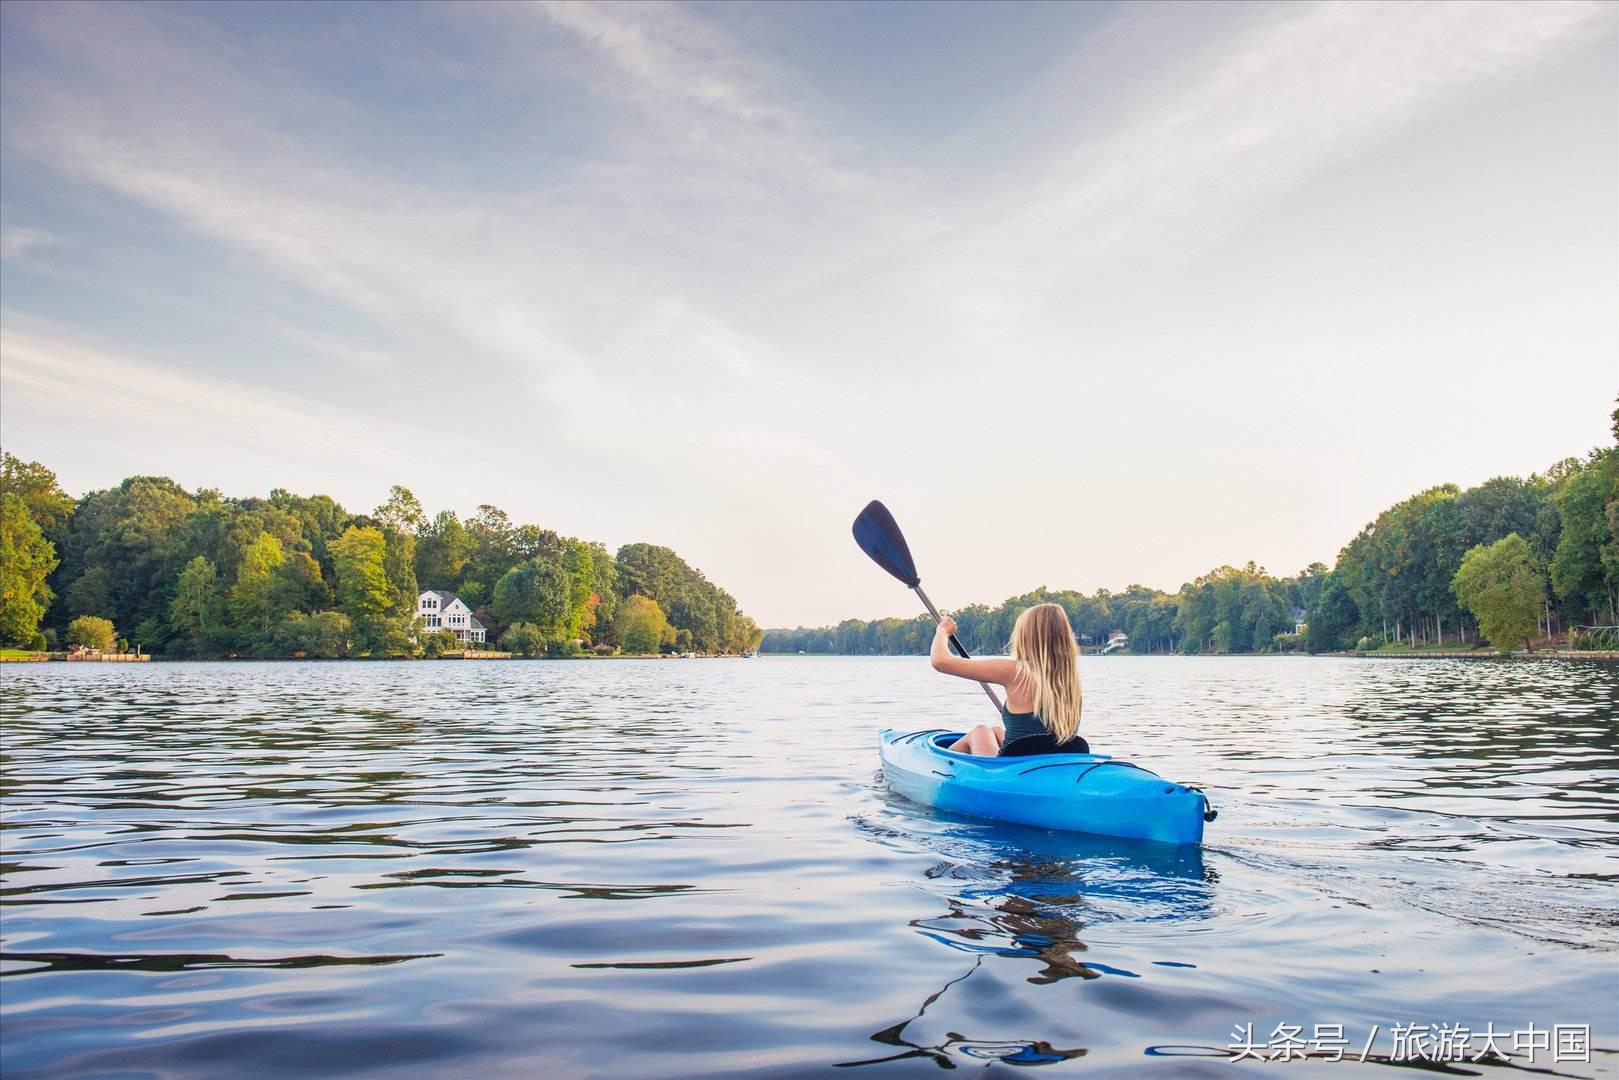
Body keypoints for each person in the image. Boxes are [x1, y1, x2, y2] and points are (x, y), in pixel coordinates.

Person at [931, 603, 1087, 757]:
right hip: (1051, 763)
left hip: (1014, 770)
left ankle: (937, 765)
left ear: (1026, 636)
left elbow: (940, 661)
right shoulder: (1069, 680)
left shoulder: (1017, 671)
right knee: (996, 732)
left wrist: (942, 631)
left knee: (980, 732)